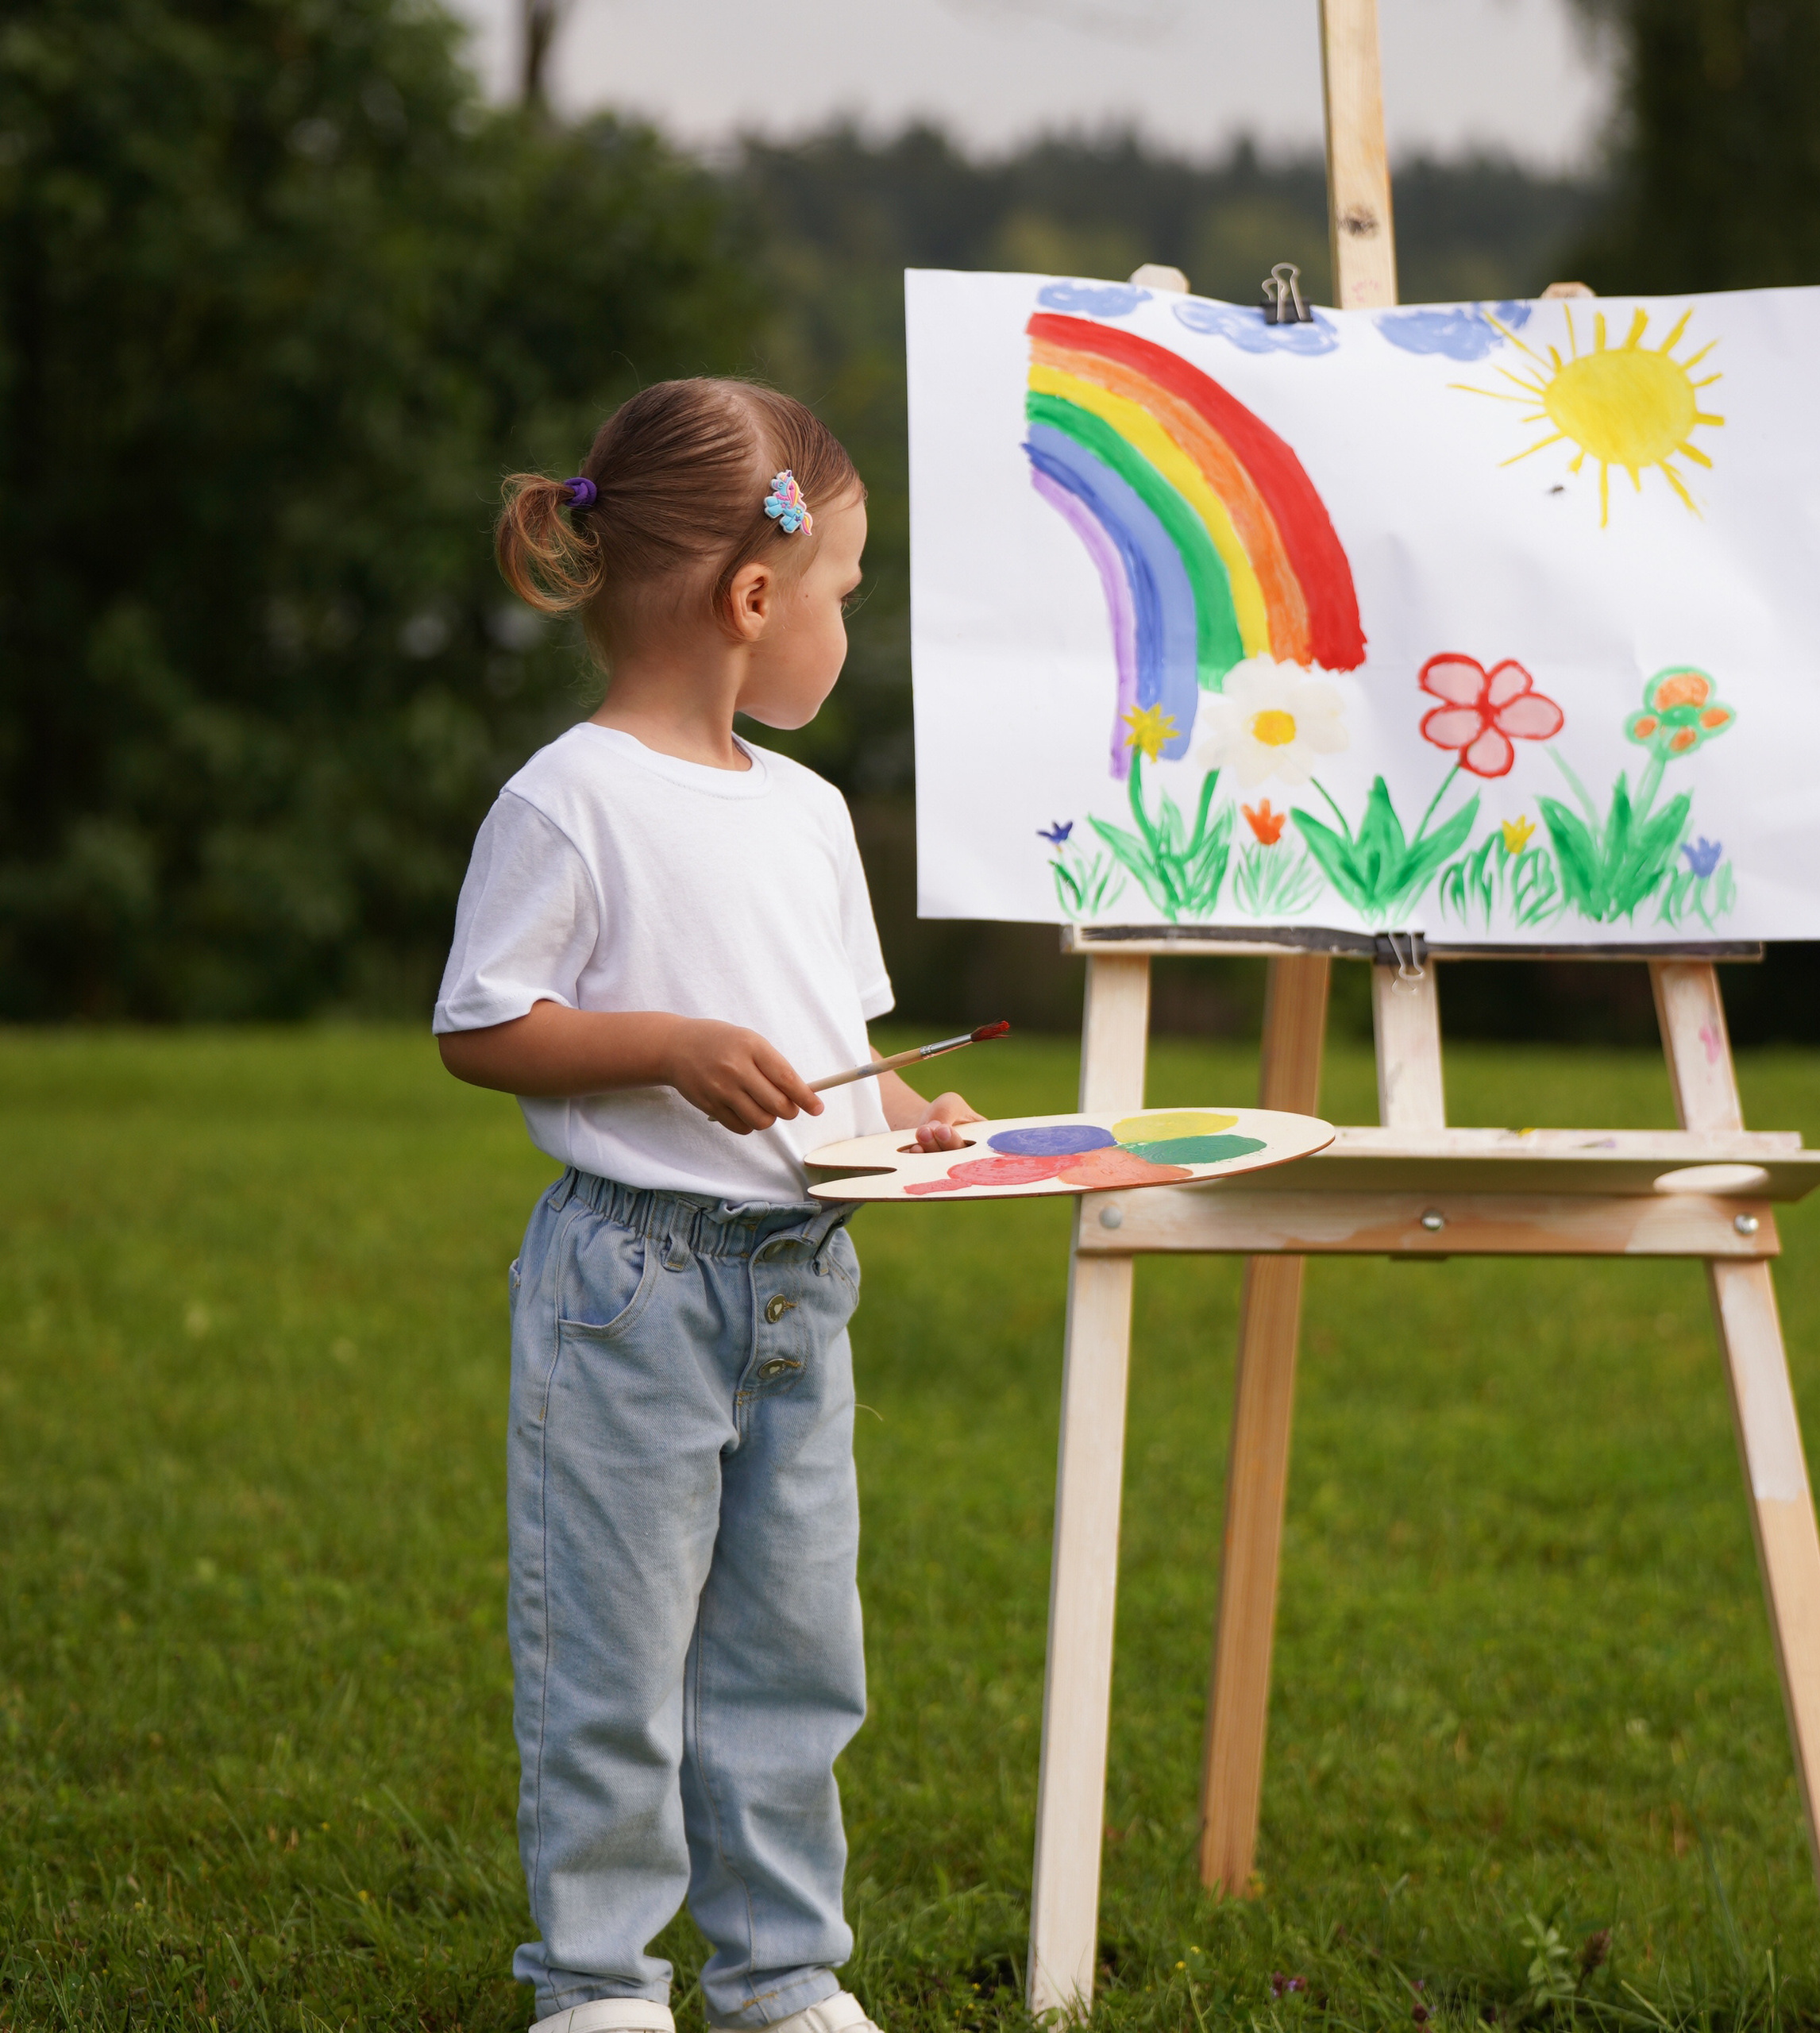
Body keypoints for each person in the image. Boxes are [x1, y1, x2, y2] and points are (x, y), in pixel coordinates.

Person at [434, 380, 981, 2033]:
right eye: (846, 590)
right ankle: (597, 1985)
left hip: (799, 1282)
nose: (847, 622)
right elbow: (482, 1024)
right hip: (633, 1286)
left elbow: (840, 1047)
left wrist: (912, 1114)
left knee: (791, 1656)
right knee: (610, 1658)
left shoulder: (807, 815)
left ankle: (779, 1978)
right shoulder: (570, 799)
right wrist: (664, 1046)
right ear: (756, 598)